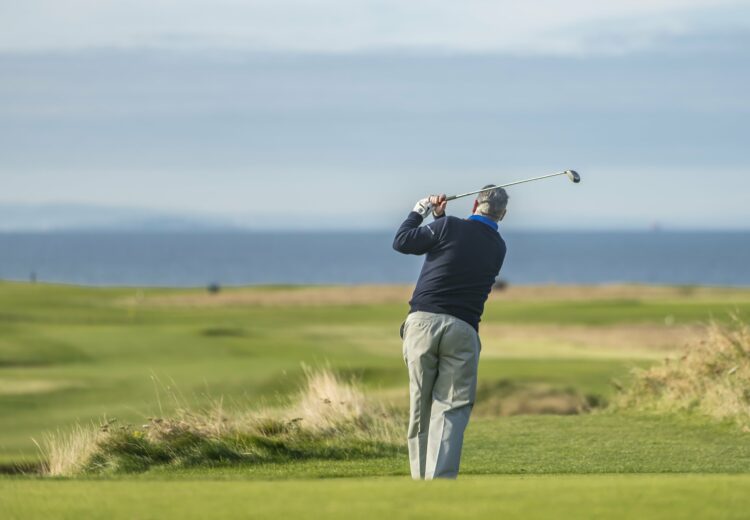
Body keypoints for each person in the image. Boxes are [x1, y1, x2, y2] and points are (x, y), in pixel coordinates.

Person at [392, 185, 508, 480]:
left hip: (422, 323)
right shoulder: (498, 247)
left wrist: (422, 208)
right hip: (463, 329)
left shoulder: (446, 226)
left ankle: (421, 483)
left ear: (473, 204)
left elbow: (403, 242)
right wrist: (440, 220)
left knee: (421, 404)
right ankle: (440, 483)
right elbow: (462, 247)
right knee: (451, 408)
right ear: (502, 214)